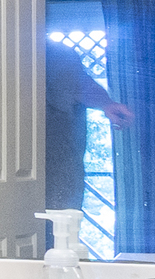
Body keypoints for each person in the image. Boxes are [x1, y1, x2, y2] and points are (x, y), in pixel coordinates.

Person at [45, 39, 132, 210]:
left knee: (59, 229)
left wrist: (107, 104)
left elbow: (80, 84)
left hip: (58, 174)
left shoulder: (54, 53)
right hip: (17, 178)